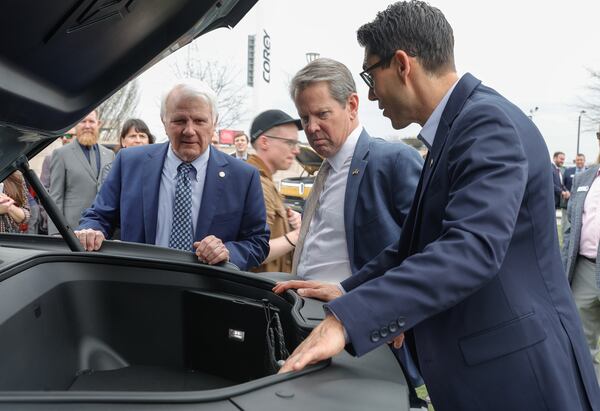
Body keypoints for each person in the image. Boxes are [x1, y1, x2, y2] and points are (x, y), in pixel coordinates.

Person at [276, 2, 600, 410]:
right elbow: (415, 246)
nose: (372, 93)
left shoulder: (486, 123)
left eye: (369, 76)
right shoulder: (457, 126)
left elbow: (471, 249)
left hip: (519, 376)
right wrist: (346, 290)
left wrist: (350, 319)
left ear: (401, 65)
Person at [278, 57, 425, 408]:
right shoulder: (326, 170)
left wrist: (398, 310)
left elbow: (425, 247)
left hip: (363, 335)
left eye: (322, 114)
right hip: (310, 322)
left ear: (353, 105)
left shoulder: (392, 161)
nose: (312, 127)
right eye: (304, 118)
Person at [76, 80, 269, 271]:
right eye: (179, 120)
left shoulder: (243, 176)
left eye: (200, 121)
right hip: (139, 287)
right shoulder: (129, 162)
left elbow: (258, 242)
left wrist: (227, 252)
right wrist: (92, 231)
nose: (189, 131)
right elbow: (99, 216)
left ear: (214, 122)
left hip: (207, 294)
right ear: (164, 121)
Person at [247, 109, 303, 274]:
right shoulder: (257, 184)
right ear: (264, 142)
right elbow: (254, 251)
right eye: (290, 143)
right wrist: (296, 236)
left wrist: (289, 223)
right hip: (261, 291)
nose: (297, 150)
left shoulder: (264, 181)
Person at [48, 111, 114, 235]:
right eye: (83, 121)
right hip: (73, 231)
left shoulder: (109, 155)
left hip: (103, 231)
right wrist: (55, 234)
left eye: (91, 121)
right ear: (76, 125)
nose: (87, 126)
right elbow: (55, 198)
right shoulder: (61, 154)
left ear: (98, 124)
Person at [562, 151, 600, 366]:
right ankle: (593, 398)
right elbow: (570, 228)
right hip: (584, 270)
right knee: (582, 348)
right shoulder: (584, 179)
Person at [100, 118, 155, 183]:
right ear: (123, 142)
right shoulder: (111, 170)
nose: (138, 140)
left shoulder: (157, 167)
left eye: (142, 136)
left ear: (149, 141)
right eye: (133, 136)